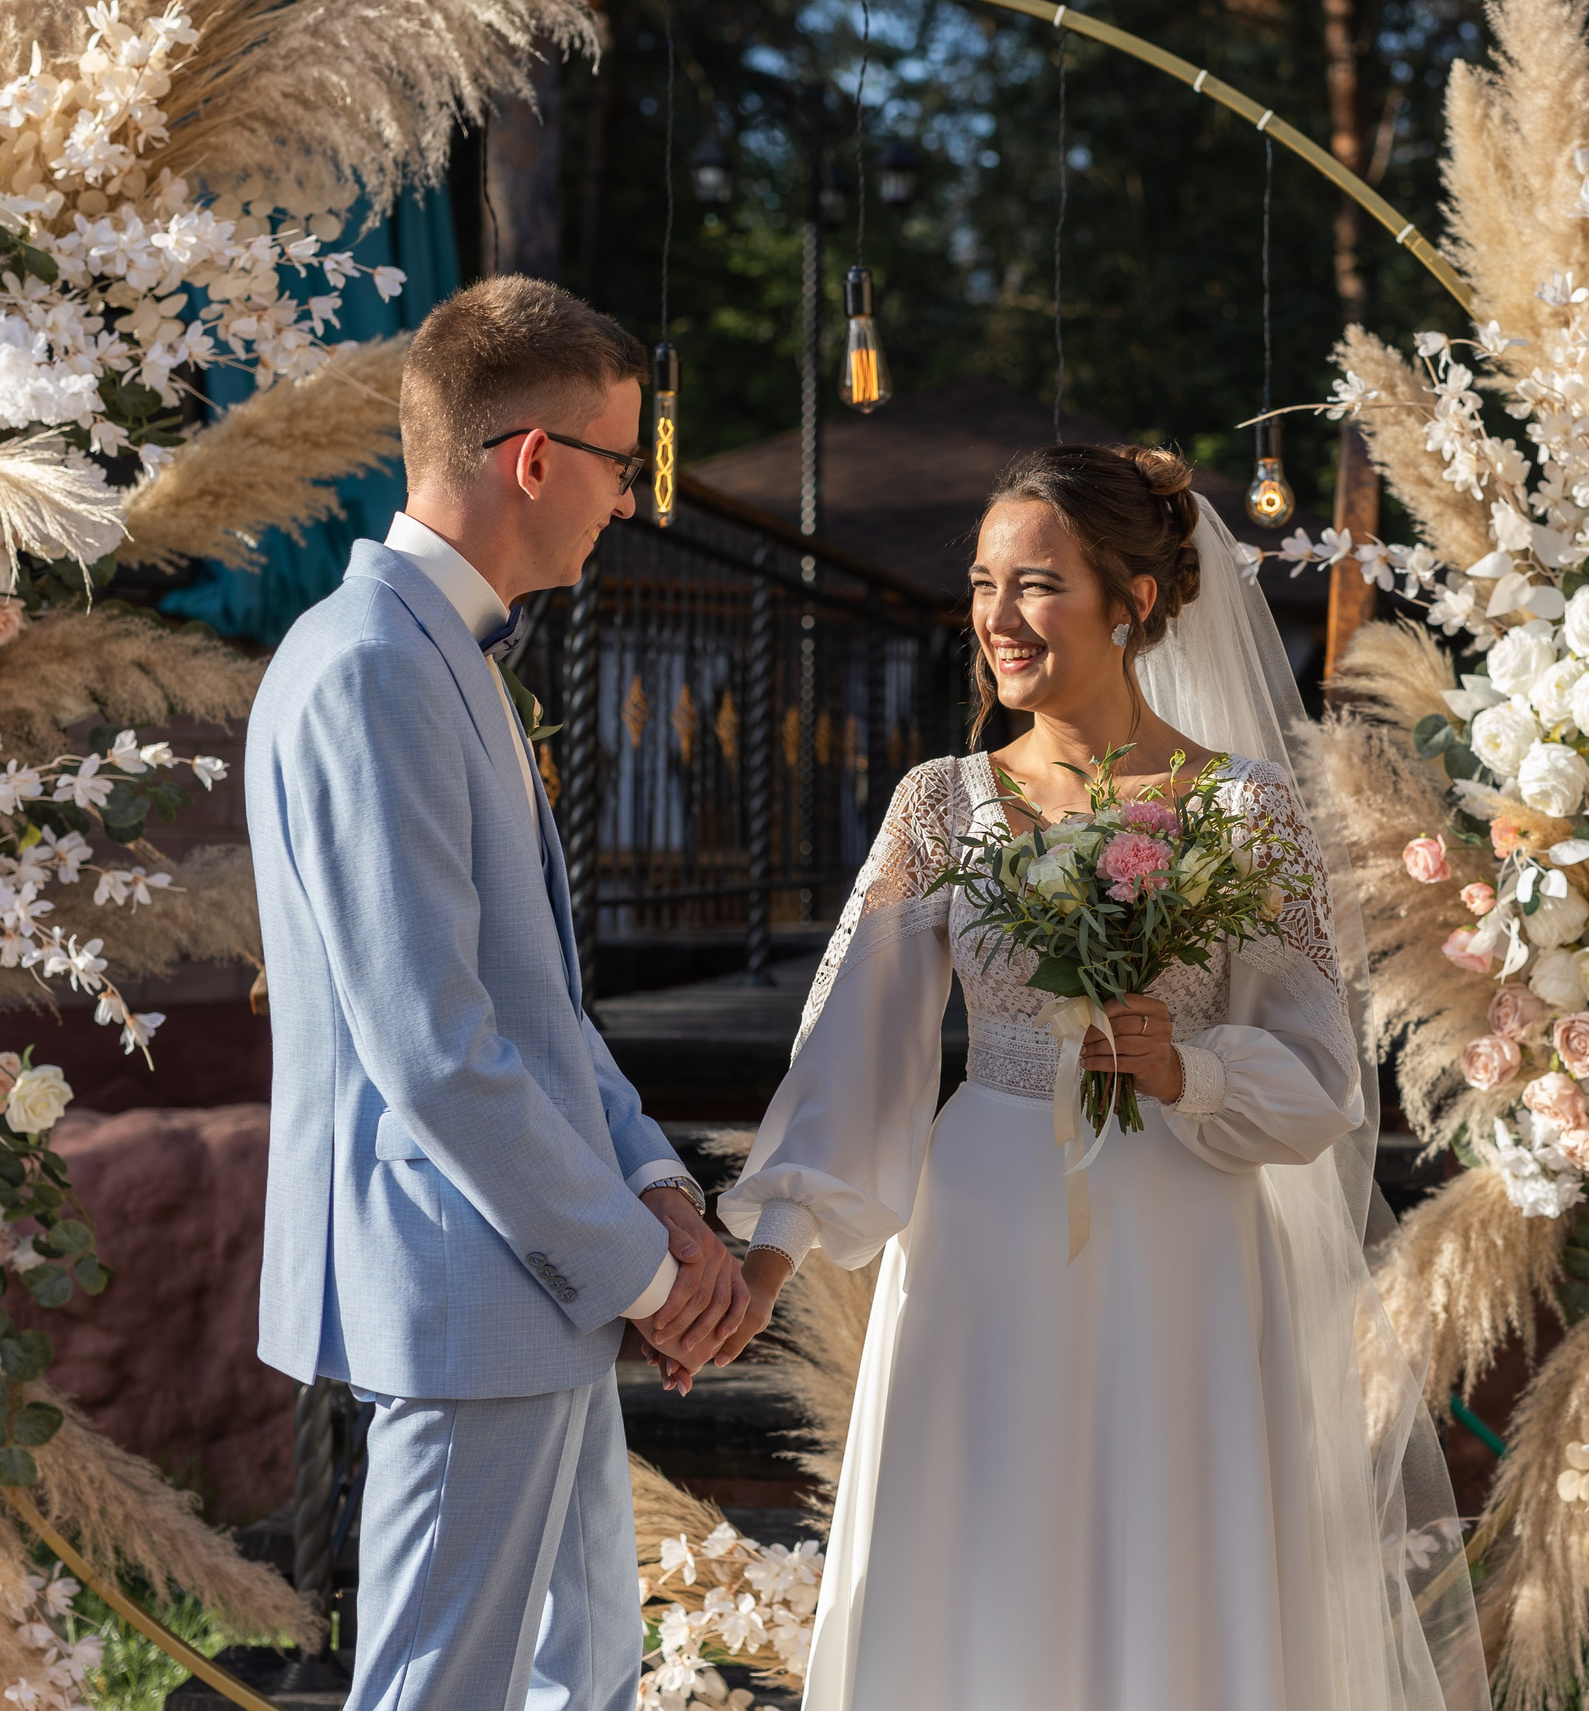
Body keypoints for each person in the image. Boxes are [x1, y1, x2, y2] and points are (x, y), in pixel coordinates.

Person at [712, 445, 1486, 1711]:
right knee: (979, 1565)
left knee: (1170, 1565)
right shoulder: (936, 806)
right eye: (982, 585)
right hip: (982, 1232)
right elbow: (854, 1049)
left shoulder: (1247, 811)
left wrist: (1188, 1066)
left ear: (1132, 599)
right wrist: (765, 1256)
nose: (998, 620)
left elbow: (1319, 1080)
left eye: (1036, 585)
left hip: (1180, 1238)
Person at [247, 276, 748, 1711]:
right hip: (467, 1280)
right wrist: (649, 1275)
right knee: (437, 1686)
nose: (628, 503)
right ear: (535, 457)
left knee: (576, 1665)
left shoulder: (430, 654)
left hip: (530, 1280)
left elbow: (534, 1000)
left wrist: (656, 1185)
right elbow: (437, 1049)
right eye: (621, 461)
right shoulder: (368, 667)